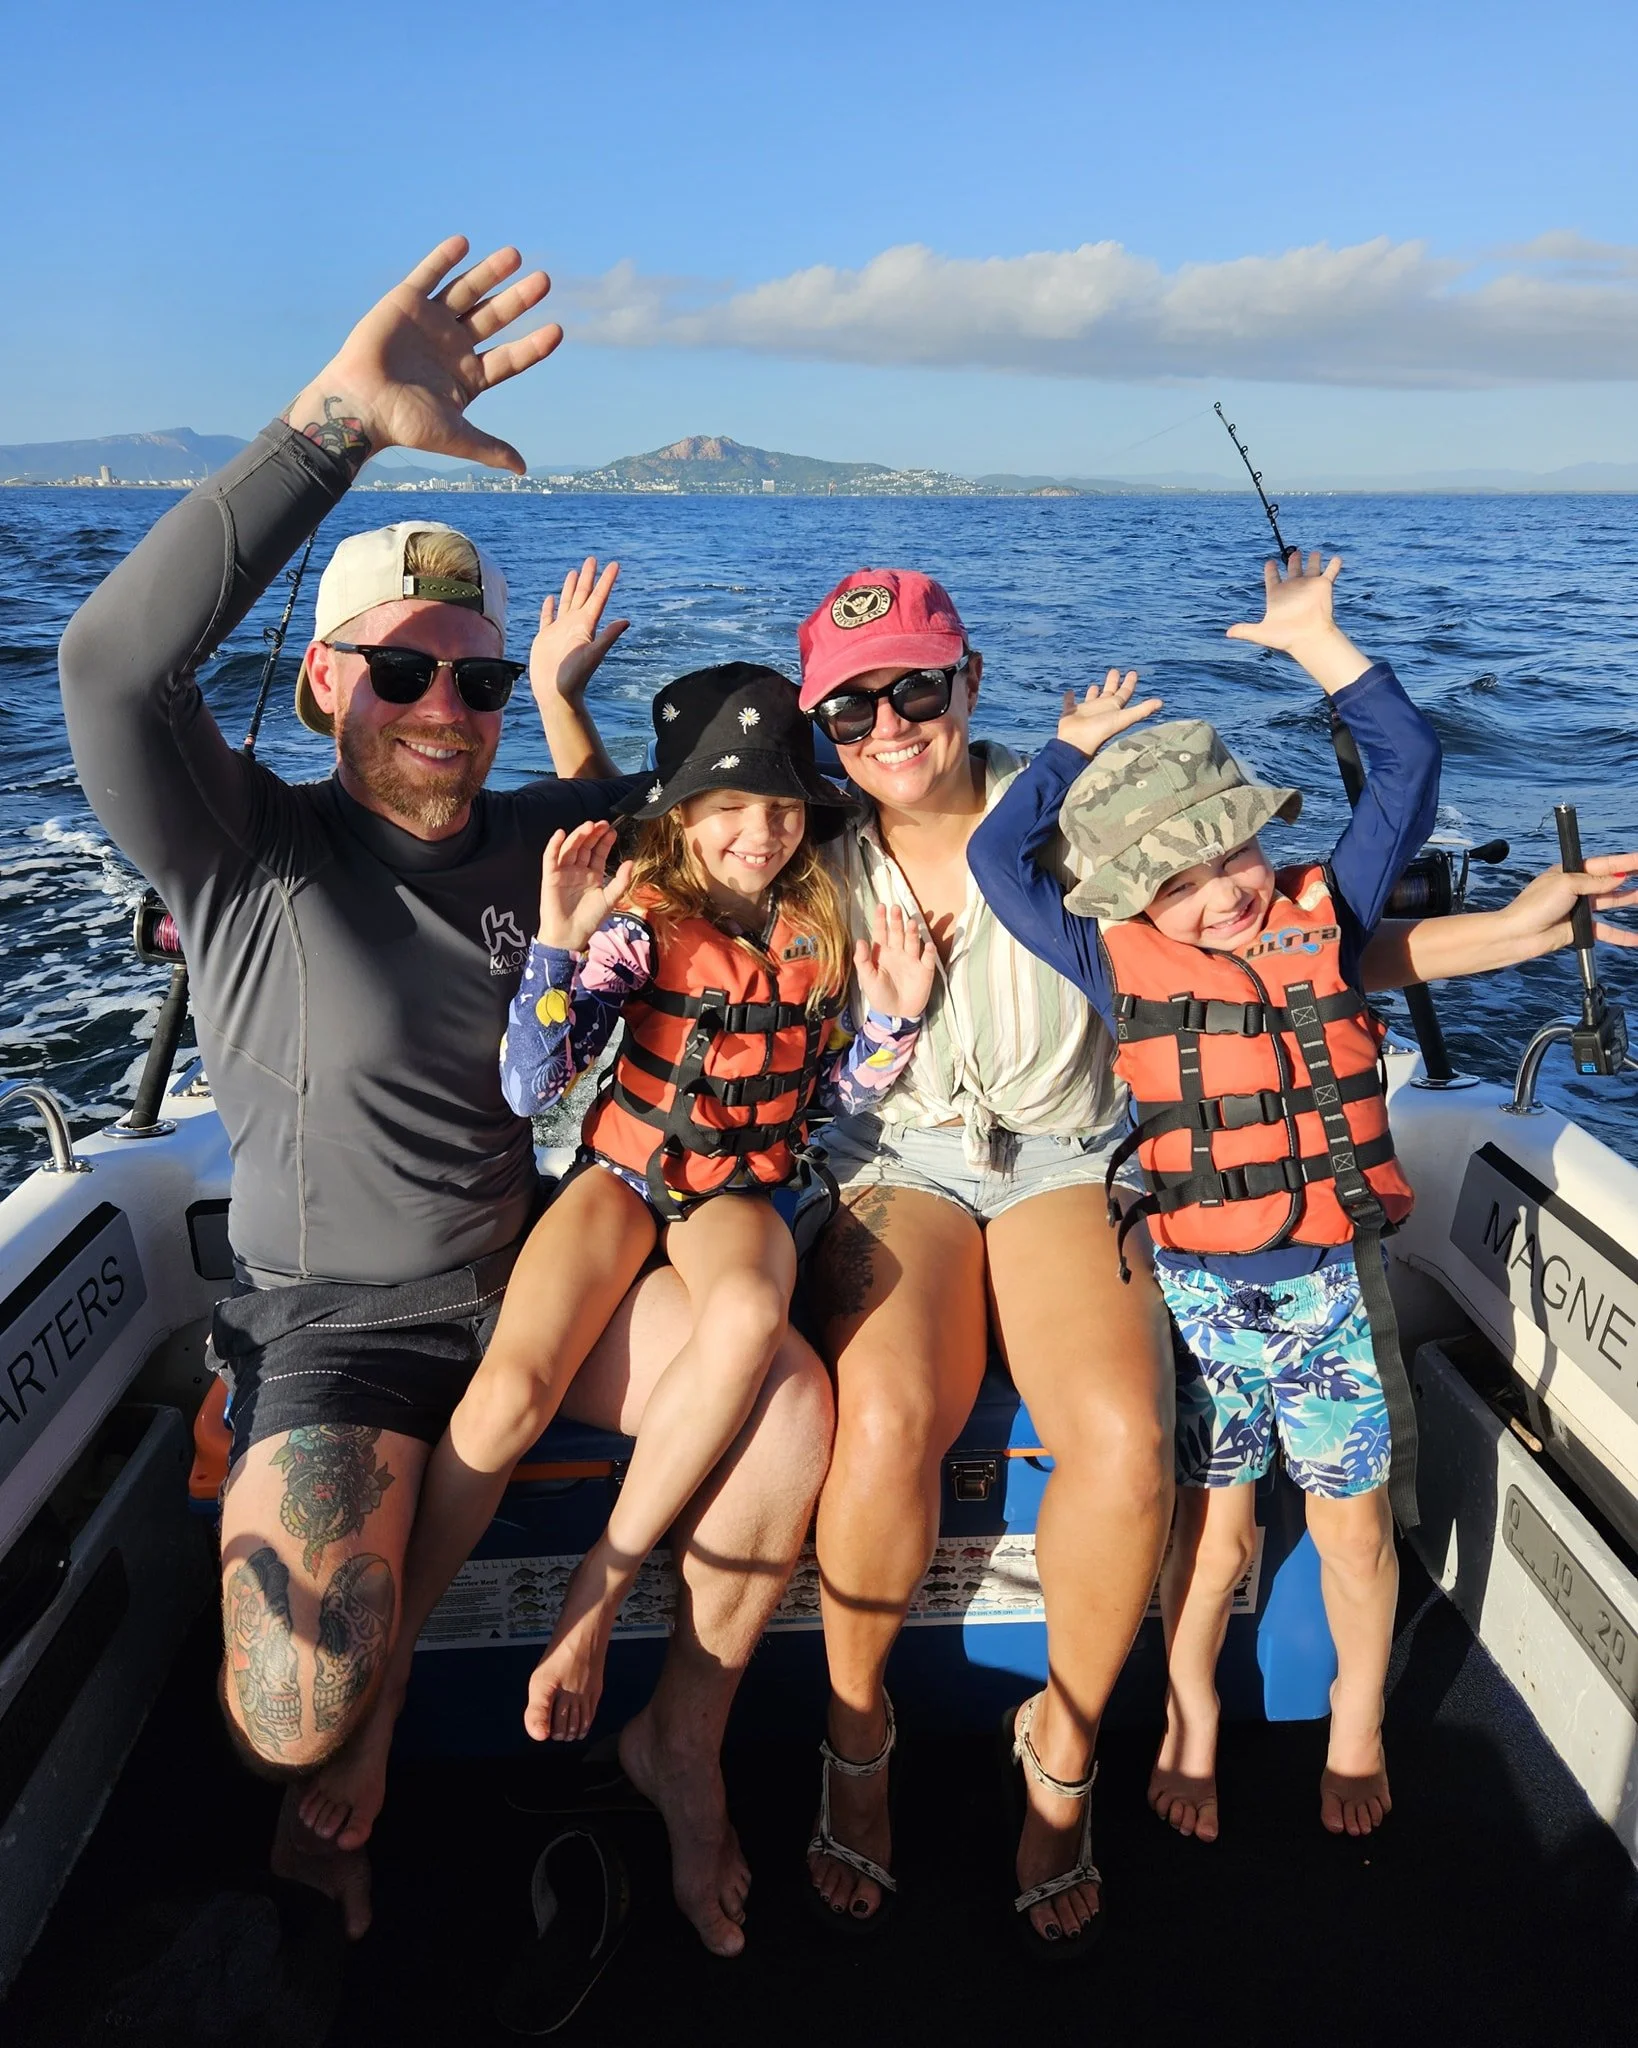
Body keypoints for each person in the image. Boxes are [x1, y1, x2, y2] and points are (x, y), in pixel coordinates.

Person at [57, 241, 834, 1958]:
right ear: (323, 681)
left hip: (525, 1272)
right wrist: (332, 425)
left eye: (477, 680)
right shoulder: (243, 843)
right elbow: (110, 668)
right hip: (337, 1323)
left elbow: (738, 818)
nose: (443, 709)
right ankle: (343, 1773)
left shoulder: (548, 837)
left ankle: (682, 1744)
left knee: (786, 1403)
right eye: (400, 671)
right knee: (291, 1705)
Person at [314, 664, 933, 1762]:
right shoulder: (640, 924)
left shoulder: (822, 929)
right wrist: (557, 947)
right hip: (622, 1176)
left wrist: (890, 1023)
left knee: (750, 1316)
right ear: (681, 814)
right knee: (510, 1392)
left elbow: (828, 1097)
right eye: (729, 804)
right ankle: (391, 1661)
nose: (761, 831)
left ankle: (596, 1592)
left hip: (737, 1188)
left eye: (782, 805)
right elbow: (531, 1086)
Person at [969, 549, 1441, 1845]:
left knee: (1352, 1532)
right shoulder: (1106, 959)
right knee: (1214, 1537)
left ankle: (1356, 1719)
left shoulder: (1326, 911)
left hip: (1330, 1294)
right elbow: (999, 858)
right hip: (1202, 1302)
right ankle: (1190, 1718)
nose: (1226, 888)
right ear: (1131, 901)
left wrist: (1319, 645)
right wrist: (1066, 750)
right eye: (1178, 879)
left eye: (1232, 851)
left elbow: (1406, 768)